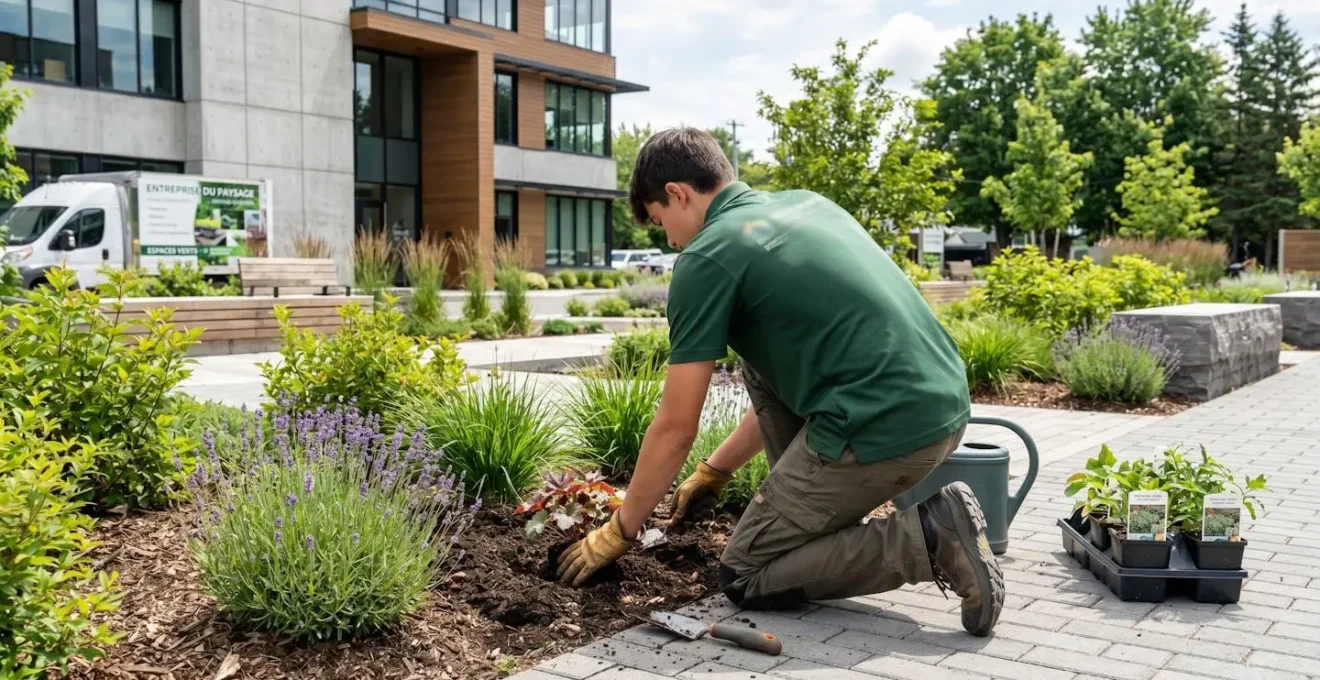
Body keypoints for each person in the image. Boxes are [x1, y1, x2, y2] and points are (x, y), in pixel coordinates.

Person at [554, 128, 1004, 637]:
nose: (671, 241)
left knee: (746, 574)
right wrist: (715, 471)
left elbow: (676, 426)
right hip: (943, 408)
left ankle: (928, 537)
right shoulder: (807, 204)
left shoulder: (706, 257)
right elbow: (781, 378)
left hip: (883, 429)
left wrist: (620, 529)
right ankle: (826, 523)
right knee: (755, 358)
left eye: (662, 224)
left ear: (678, 193)